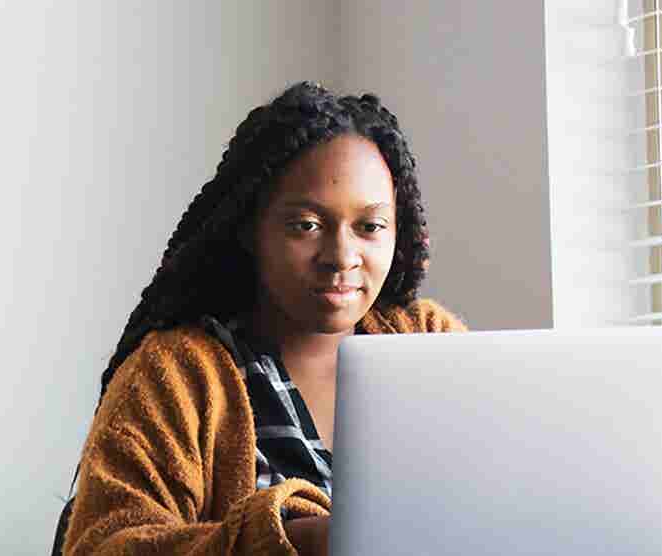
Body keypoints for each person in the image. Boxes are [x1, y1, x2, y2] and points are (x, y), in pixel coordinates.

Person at [56, 81, 467, 555]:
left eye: (369, 227)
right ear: (251, 229)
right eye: (306, 225)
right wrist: (291, 543)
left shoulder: (427, 341)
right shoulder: (175, 375)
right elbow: (101, 546)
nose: (341, 256)